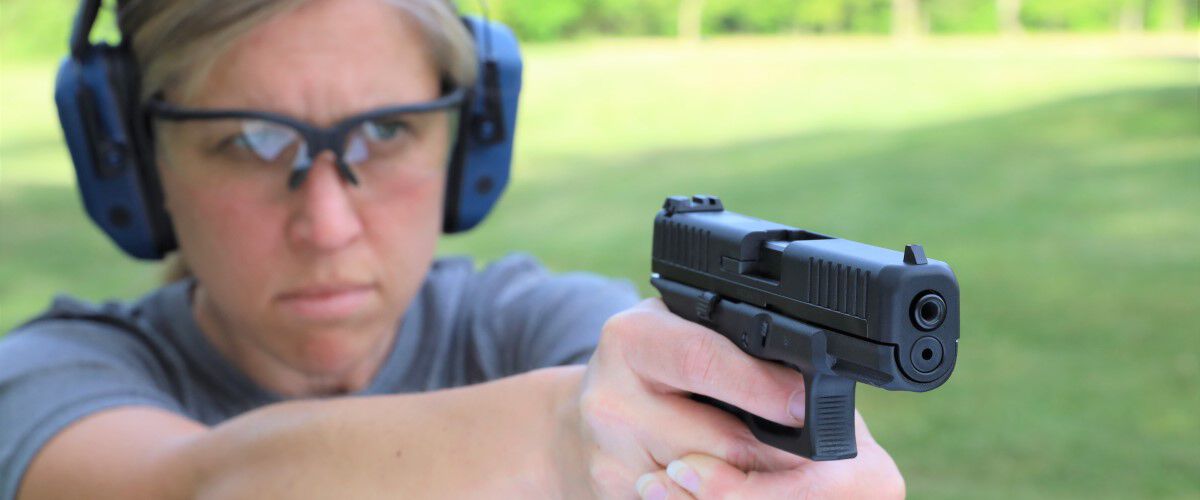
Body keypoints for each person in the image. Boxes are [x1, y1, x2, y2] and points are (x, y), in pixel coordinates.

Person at [0, 0, 905, 498]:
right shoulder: (46, 377)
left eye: (386, 131)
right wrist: (559, 438)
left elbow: (630, 383)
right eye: (246, 141)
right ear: (131, 158)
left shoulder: (545, 327)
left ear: (468, 144)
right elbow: (188, 487)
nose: (327, 223)